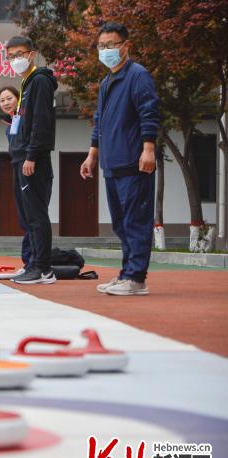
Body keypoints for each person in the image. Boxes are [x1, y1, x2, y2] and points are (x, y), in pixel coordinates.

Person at [81, 22, 159, 296]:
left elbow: (149, 113)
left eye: (112, 45)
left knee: (136, 220)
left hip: (133, 162)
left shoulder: (138, 76)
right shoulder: (106, 82)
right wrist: (92, 155)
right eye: (102, 46)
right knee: (120, 222)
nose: (106, 50)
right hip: (111, 164)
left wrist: (148, 149)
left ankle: (137, 278)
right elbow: (100, 121)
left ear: (126, 46)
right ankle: (127, 273)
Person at [5, 35, 57, 285]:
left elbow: (40, 122)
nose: (15, 59)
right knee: (27, 216)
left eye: (19, 54)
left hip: (32, 159)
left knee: (36, 215)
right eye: (11, 56)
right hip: (20, 157)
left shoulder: (39, 82)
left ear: (31, 54)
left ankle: (43, 268)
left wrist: (32, 155)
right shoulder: (26, 83)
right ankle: (33, 264)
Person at [0, 85, 32, 273]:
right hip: (17, 168)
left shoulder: (26, 118)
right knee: (24, 218)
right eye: (2, 100)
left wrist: (30, 159)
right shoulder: (10, 126)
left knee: (32, 216)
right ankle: (29, 262)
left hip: (29, 168)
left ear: (18, 99)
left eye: (9, 98)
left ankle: (34, 262)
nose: (5, 102)